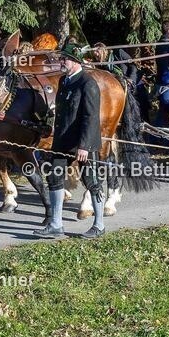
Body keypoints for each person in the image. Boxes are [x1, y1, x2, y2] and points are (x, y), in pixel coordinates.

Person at [34, 42, 106, 239]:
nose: (61, 62)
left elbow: (91, 117)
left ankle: (99, 225)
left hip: (83, 143)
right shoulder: (64, 81)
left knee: (91, 181)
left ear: (75, 61)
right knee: (54, 177)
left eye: (64, 59)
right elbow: (61, 113)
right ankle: (56, 224)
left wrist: (84, 146)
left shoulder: (87, 83)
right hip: (63, 141)